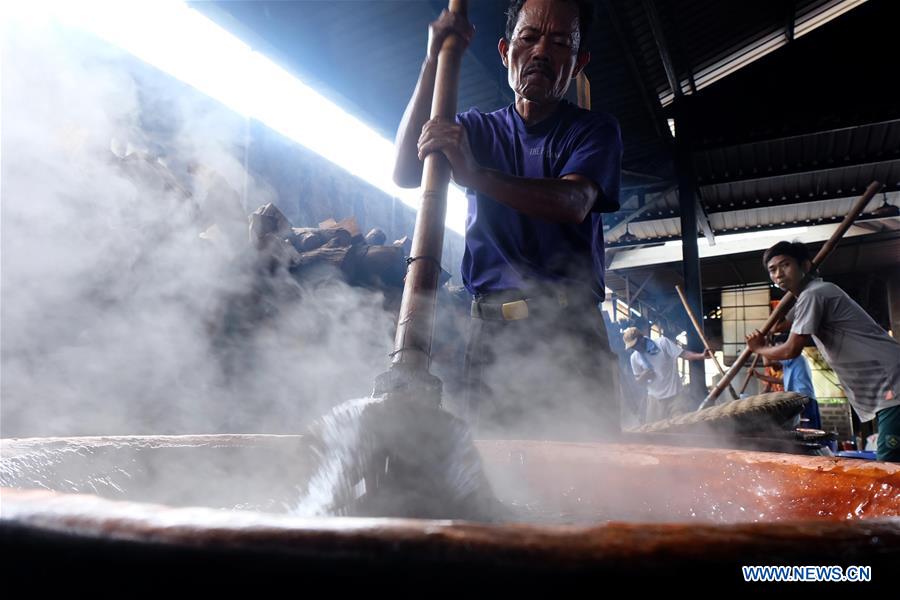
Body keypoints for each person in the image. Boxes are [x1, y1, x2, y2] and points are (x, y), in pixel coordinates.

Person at [392, 0, 622, 438]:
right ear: (504, 51)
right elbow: (406, 171)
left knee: (590, 476)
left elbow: (573, 201)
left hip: (569, 332)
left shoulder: (593, 131)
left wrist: (476, 175)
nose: (541, 52)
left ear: (578, 63)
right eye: (528, 38)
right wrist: (433, 59)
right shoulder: (476, 130)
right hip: (492, 333)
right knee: (496, 473)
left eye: (560, 43)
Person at [746, 241, 900, 461]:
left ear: (805, 266)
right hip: (885, 383)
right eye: (772, 269)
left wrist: (759, 348)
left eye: (785, 265)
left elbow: (791, 350)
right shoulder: (812, 295)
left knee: (889, 462)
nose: (779, 273)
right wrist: (776, 322)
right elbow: (785, 322)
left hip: (892, 381)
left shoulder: (814, 294)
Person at [623, 325, 710, 423]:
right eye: (632, 347)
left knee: (681, 426)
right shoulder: (634, 358)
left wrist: (702, 356)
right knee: (653, 432)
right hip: (654, 399)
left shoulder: (662, 343)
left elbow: (684, 354)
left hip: (676, 395)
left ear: (641, 338)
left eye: (635, 344)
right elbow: (638, 381)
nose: (635, 348)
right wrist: (644, 376)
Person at [752, 336, 821, 430]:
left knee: (809, 432)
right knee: (806, 430)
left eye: (778, 348)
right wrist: (760, 376)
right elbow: (781, 381)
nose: (776, 352)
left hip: (802, 398)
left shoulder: (792, 356)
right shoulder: (791, 362)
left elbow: (767, 362)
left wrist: (762, 346)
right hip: (803, 397)